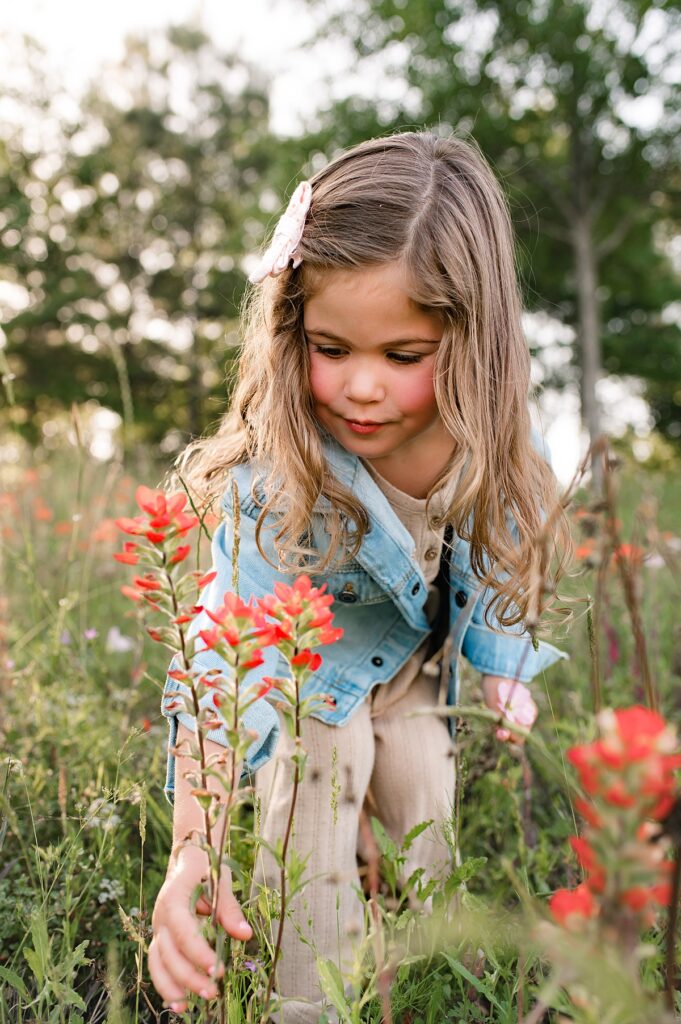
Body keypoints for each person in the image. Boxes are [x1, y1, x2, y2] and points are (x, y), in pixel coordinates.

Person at [148, 130, 571, 1021]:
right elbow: (228, 668)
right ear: (290, 327)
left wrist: (499, 673)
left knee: (425, 823)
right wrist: (194, 847)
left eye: (403, 356)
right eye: (330, 349)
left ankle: (405, 977)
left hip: (409, 673)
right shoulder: (280, 480)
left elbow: (501, 553)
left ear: (472, 340)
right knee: (312, 807)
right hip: (302, 680)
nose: (360, 389)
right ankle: (307, 1000)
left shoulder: (493, 443)